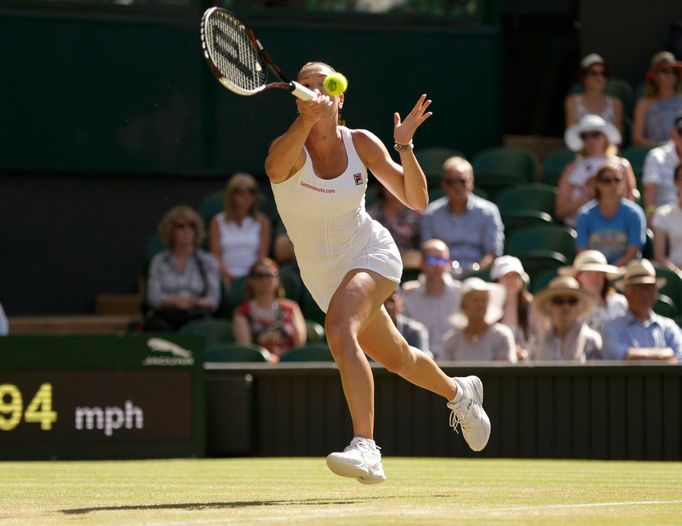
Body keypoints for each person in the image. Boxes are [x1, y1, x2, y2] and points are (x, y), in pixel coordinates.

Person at [264, 61, 490, 485]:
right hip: (324, 277)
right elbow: (275, 170)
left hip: (372, 252)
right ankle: (461, 394)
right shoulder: (288, 149)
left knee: (339, 330)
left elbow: (416, 199)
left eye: (324, 84)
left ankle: (366, 447)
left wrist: (404, 146)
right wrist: (305, 121)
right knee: (398, 357)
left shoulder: (362, 143)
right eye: (306, 86)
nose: (317, 92)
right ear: (297, 98)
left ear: (340, 96)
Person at [420, 156, 504, 273]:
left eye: (462, 181)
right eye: (451, 182)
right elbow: (428, 253)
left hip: (478, 277)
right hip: (441, 274)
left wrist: (474, 271)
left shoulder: (488, 211)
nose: (457, 186)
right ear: (443, 184)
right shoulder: (431, 213)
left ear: (471, 182)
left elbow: (493, 253)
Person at [144, 206, 221, 332]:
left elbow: (213, 300)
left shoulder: (207, 261)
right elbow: (153, 297)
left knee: (201, 329)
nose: (187, 230)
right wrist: (175, 301)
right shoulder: (159, 261)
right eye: (181, 226)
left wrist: (194, 302)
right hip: (166, 315)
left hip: (196, 314)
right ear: (171, 231)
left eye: (192, 226)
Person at [556, 114, 637, 227]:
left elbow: (629, 202)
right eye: (584, 136)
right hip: (577, 228)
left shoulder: (623, 165)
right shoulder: (571, 167)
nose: (590, 140)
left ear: (606, 137)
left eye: (595, 135)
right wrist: (590, 199)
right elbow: (561, 211)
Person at [602, 259, 682, 361]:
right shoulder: (611, 328)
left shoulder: (669, 327)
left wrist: (634, 355)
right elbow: (616, 354)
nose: (644, 294)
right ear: (626, 294)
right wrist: (663, 355)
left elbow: (680, 356)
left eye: (649, 288)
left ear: (655, 293)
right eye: (638, 289)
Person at [233, 258, 307, 362]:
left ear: (277, 279)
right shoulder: (242, 311)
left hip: (290, 366)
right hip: (259, 367)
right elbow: (246, 349)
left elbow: (300, 344)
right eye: (259, 276)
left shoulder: (291, 308)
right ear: (251, 280)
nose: (265, 280)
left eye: (270, 275)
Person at [401, 239, 462, 360]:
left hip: (455, 363)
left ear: (448, 264)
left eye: (442, 260)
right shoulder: (408, 295)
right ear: (421, 263)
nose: (438, 265)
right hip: (418, 364)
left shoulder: (460, 293)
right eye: (432, 260)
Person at [575, 162, 646, 265]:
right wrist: (600, 272)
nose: (613, 184)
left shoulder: (634, 213)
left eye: (617, 180)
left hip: (624, 272)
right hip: (594, 272)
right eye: (606, 180)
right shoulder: (585, 214)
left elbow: (632, 254)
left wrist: (610, 270)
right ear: (597, 184)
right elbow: (582, 252)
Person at [208, 173, 271, 285]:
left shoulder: (263, 222)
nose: (246, 196)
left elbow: (262, 258)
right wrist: (228, 277)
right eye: (240, 191)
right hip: (224, 278)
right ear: (231, 195)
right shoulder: (217, 221)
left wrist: (250, 279)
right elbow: (215, 256)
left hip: (254, 278)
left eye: (251, 191)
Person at [440, 278, 516, 362]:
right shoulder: (451, 341)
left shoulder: (501, 336)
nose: (481, 304)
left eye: (484, 300)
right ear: (463, 306)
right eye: (475, 300)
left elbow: (505, 372)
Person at [530, 276, 602, 362]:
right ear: (550, 306)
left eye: (572, 301)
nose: (566, 306)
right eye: (559, 301)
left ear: (579, 306)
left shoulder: (591, 340)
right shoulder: (537, 342)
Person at [559, 250, 626, 333]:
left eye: (599, 273)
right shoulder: (570, 307)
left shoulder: (620, 303)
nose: (594, 278)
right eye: (588, 273)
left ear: (604, 277)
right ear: (578, 277)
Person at [490, 255, 539, 361]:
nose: (511, 280)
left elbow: (542, 341)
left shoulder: (534, 307)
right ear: (496, 280)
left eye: (515, 276)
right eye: (506, 276)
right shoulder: (488, 308)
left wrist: (526, 354)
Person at [632, 51, 682, 146]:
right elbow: (637, 139)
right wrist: (662, 147)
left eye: (673, 71)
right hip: (653, 154)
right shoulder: (643, 103)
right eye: (665, 71)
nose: (670, 75)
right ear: (655, 76)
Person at [564, 53, 623, 133]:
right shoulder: (572, 102)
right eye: (593, 73)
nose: (599, 78)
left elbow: (619, 138)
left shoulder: (616, 103)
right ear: (583, 77)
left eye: (603, 73)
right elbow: (571, 133)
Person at [367, 183, 423, 258]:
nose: (393, 188)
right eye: (388, 183)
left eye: (397, 184)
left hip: (411, 263)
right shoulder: (370, 215)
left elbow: (424, 244)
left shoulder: (417, 214)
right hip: (378, 261)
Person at [643, 113, 682, 218]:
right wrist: (651, 217)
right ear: (673, 134)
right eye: (681, 132)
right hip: (665, 220)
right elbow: (650, 188)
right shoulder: (656, 156)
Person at [652, 162, 682, 274]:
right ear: (675, 182)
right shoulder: (663, 214)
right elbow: (659, 255)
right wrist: (676, 273)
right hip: (674, 274)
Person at [383, 289, 431, 357]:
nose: (388, 306)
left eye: (392, 301)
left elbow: (422, 362)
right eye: (383, 302)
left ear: (401, 304)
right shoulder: (367, 330)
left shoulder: (415, 331)